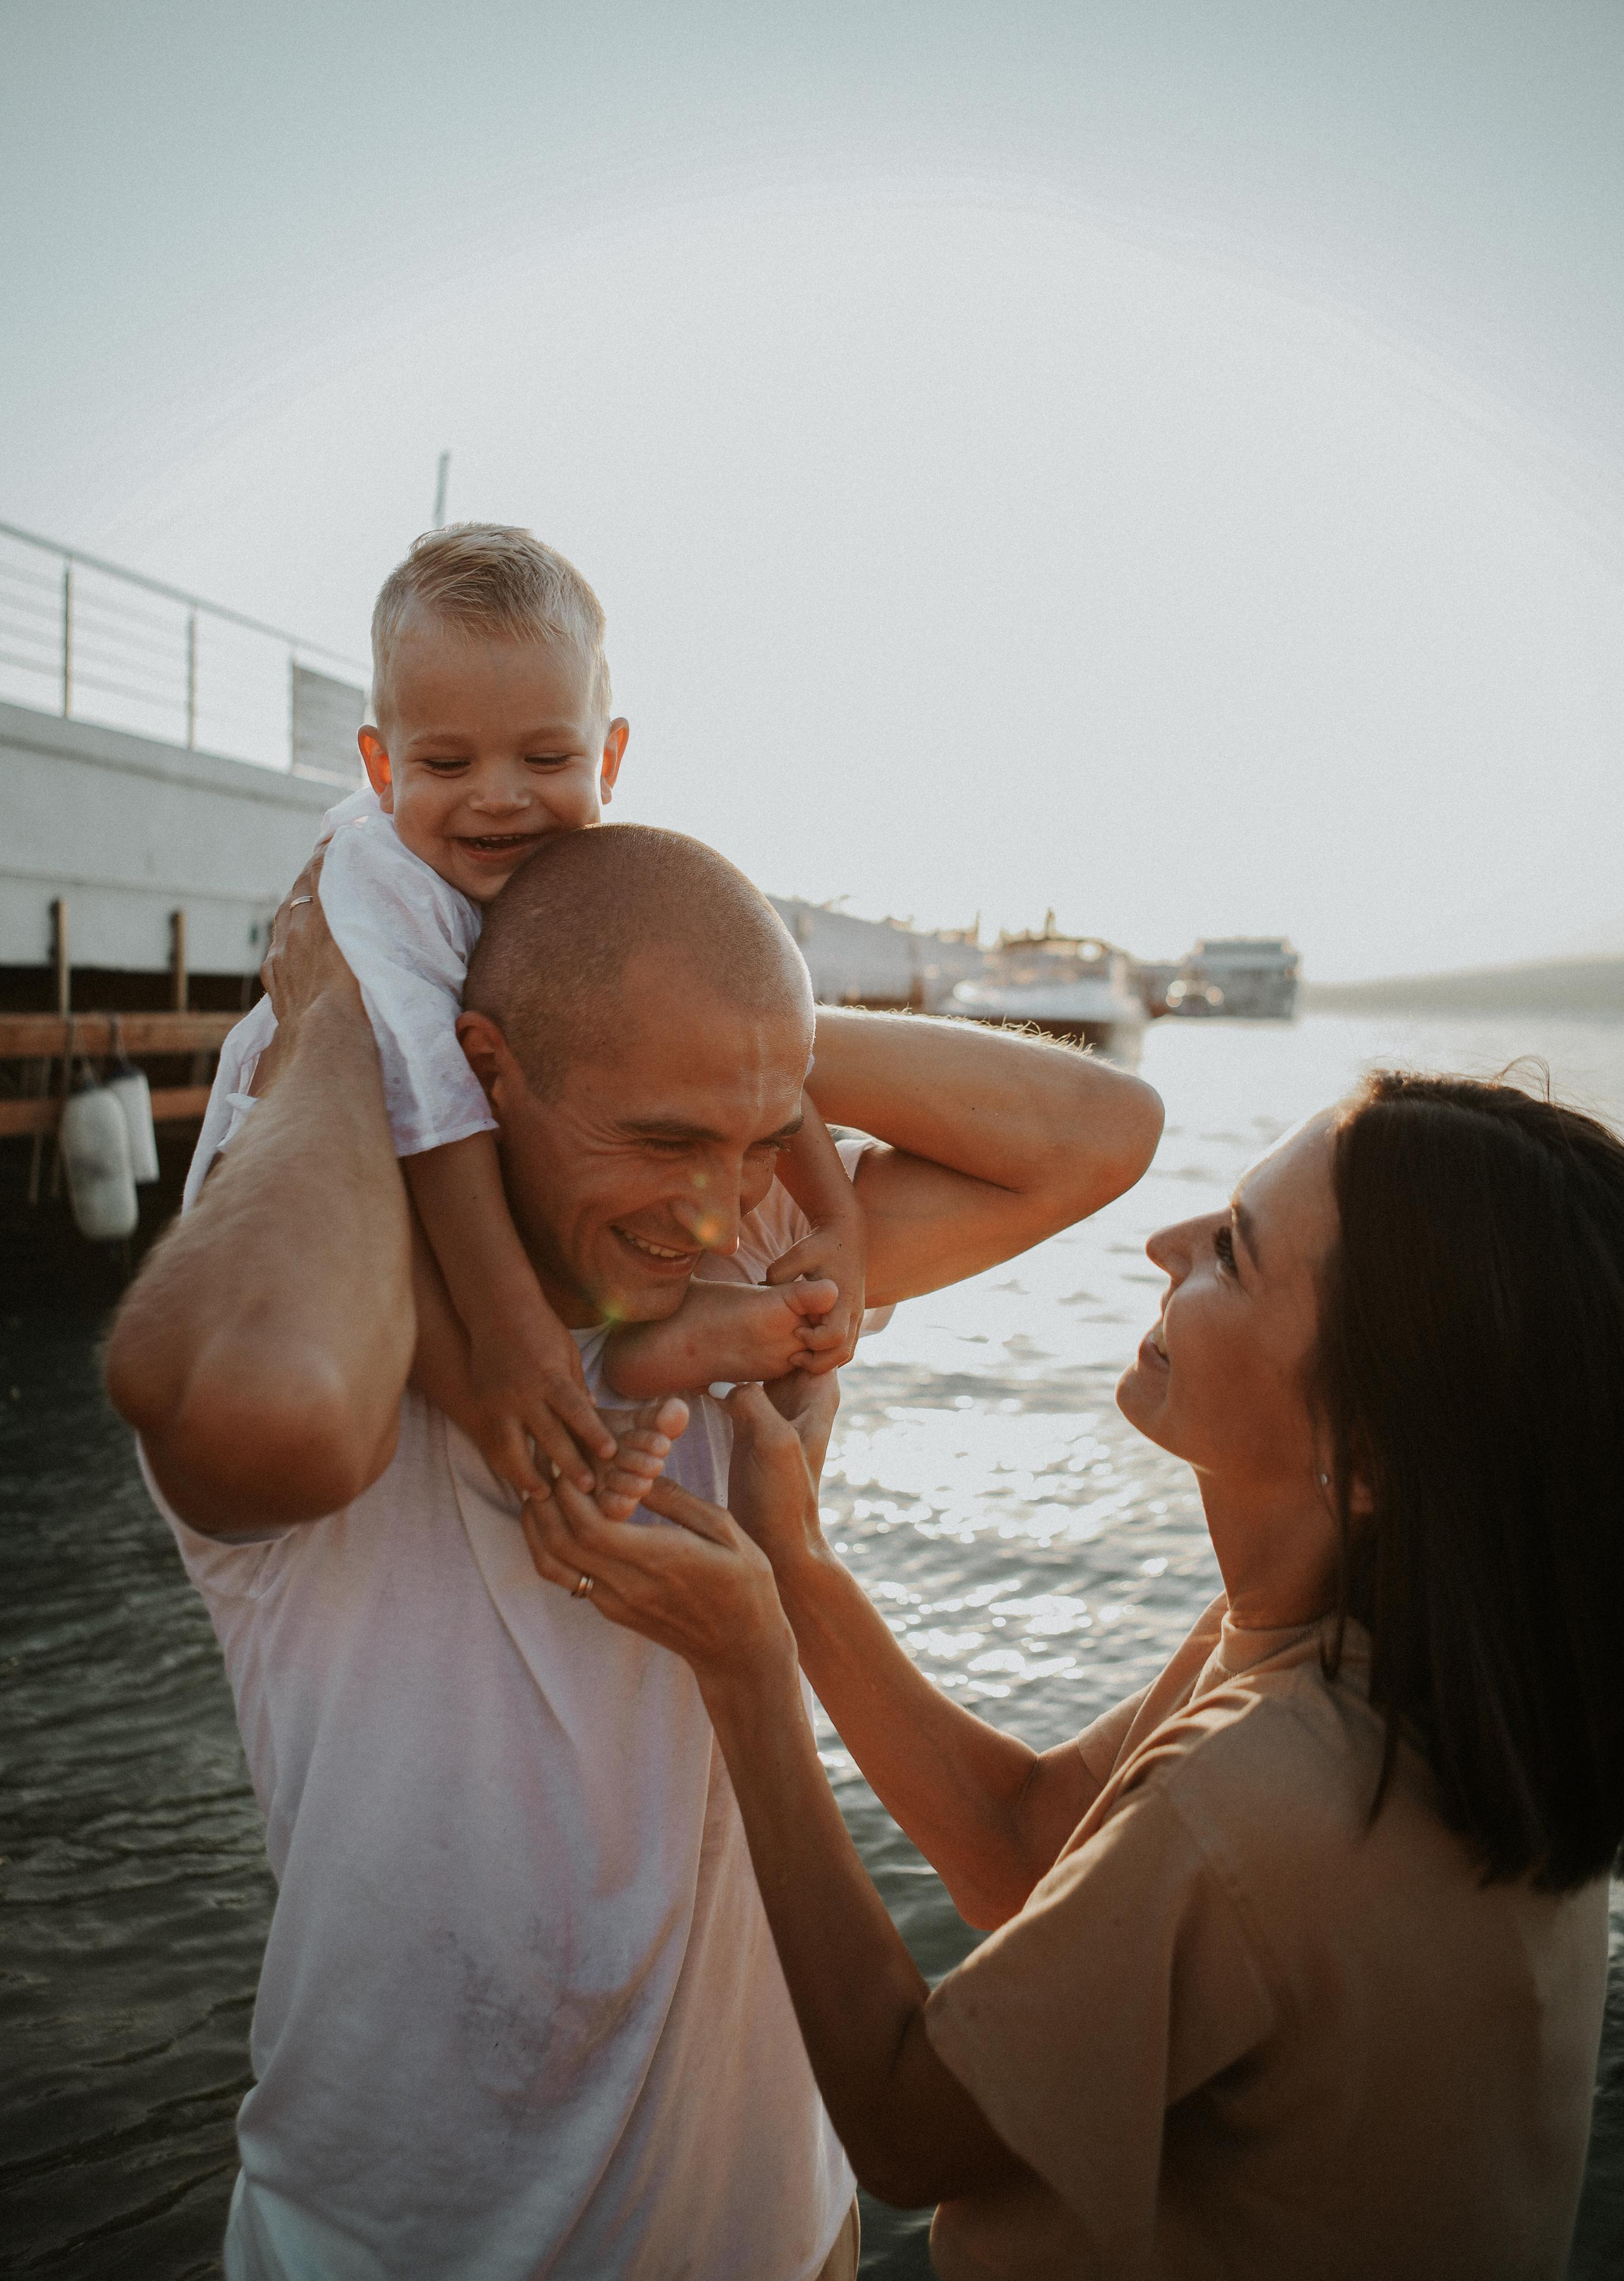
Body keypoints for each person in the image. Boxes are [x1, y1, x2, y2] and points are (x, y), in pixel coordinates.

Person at [105, 824, 1163, 2281]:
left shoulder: (727, 1268)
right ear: (483, 1068)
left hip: (775, 2236)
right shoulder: (337, 1348)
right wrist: (353, 1010)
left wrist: (750, 1044)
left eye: (745, 1142)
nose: (716, 1207)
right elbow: (263, 1408)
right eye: (659, 1138)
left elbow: (1099, 1133)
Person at [525, 1070, 1624, 2280]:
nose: (1164, 1240)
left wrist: (746, 1670)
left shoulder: (1273, 1795)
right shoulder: (1381, 1647)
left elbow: (904, 2125)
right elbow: (1025, 1843)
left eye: (1235, 1255)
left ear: (1362, 1455)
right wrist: (795, 1563)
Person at [199, 521, 864, 1513]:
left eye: (548, 758)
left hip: (456, 1110)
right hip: (350, 1126)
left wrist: (839, 1215)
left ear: (612, 754)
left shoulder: (590, 873)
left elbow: (748, 1055)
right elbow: (425, 1090)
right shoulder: (382, 876)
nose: (500, 800)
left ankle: (637, 1349)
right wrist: (507, 1324)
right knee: (401, 1256)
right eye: (449, 765)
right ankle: (511, 1424)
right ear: (382, 769)